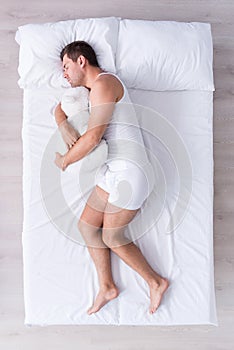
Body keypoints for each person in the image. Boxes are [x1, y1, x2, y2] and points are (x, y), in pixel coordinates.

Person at [54, 41, 169, 315]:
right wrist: (62, 124)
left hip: (131, 172)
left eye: (66, 66)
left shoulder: (105, 84)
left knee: (112, 236)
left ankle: (156, 281)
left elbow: (93, 137)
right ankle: (107, 287)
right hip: (111, 171)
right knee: (86, 227)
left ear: (82, 61)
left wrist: (65, 161)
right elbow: (58, 107)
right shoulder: (91, 90)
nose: (64, 74)